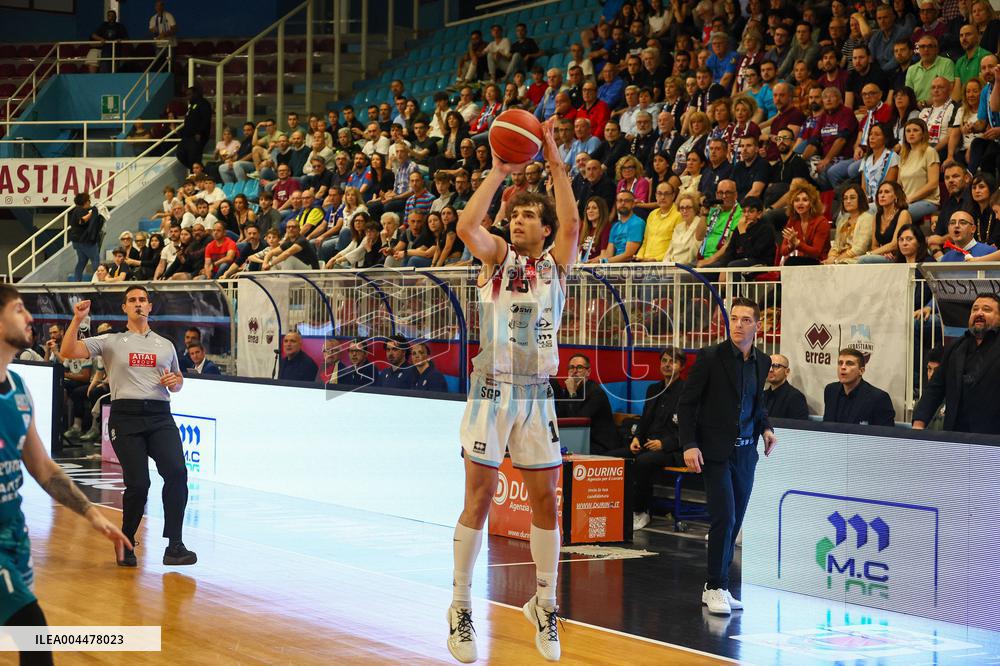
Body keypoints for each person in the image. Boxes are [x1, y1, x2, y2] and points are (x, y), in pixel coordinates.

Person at [448, 117, 578, 662]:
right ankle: (460, 606)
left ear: (544, 229)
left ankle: (544, 605)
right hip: (492, 389)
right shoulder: (496, 258)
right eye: (516, 214)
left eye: (530, 215)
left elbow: (572, 220)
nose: (520, 219)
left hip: (537, 392)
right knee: (478, 498)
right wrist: (499, 173)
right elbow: (465, 225)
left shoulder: (556, 265)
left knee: (548, 499)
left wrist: (552, 159)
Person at [0, 286, 130, 664]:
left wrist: (93, 515)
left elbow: (43, 468)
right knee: (34, 634)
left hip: (13, 537)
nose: (30, 318)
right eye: (19, 309)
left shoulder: (19, 390)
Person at [60, 286, 196, 567]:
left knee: (177, 472)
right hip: (126, 416)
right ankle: (126, 540)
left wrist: (176, 382)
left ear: (149, 306)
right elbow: (67, 351)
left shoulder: (165, 344)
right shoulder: (111, 340)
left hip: (160, 416)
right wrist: (77, 320)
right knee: (139, 484)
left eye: (142, 300)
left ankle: (175, 545)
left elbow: (179, 379)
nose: (138, 304)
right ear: (124, 308)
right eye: (132, 300)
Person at [677, 297, 777, 615]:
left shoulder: (762, 361)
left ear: (757, 326)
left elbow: (756, 402)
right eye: (734, 318)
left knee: (736, 520)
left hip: (746, 452)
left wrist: (766, 428)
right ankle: (717, 585)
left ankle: (715, 585)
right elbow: (687, 404)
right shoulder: (710, 357)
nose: (738, 324)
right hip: (715, 451)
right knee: (725, 517)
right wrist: (689, 444)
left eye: (746, 320)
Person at [613, 346, 687, 531]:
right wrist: (637, 438)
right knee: (612, 457)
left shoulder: (687, 391)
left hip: (673, 449)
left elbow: (690, 428)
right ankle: (614, 508)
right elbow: (645, 420)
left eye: (673, 361)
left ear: (681, 366)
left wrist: (664, 443)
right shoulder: (653, 388)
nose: (667, 365)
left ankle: (641, 512)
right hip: (647, 444)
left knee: (642, 462)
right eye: (664, 361)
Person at [913, 293, 1000, 433]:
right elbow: (935, 388)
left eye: (987, 309)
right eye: (975, 309)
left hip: (992, 439)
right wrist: (919, 423)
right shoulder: (955, 347)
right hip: (954, 437)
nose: (979, 313)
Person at [552, 353, 617, 455]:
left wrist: (572, 394)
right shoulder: (568, 390)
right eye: (571, 368)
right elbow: (560, 416)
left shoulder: (595, 393)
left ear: (588, 372)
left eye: (579, 367)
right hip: (578, 440)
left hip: (598, 444)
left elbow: (578, 423)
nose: (574, 371)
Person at [822, 348, 896, 426]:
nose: (843, 367)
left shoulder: (878, 398)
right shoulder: (830, 391)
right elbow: (826, 426)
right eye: (840, 363)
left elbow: (886, 434)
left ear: (861, 371)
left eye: (849, 363)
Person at [68, 192, 102, 282]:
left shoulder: (76, 210)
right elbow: (81, 221)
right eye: (88, 201)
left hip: (77, 241)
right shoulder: (80, 210)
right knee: (95, 259)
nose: (90, 203)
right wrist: (92, 213)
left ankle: (77, 281)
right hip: (85, 241)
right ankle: (98, 280)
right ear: (85, 202)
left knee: (82, 261)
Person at [762, 354, 810, 419]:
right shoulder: (762, 396)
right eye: (768, 365)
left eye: (776, 366)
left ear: (787, 371)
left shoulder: (795, 397)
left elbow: (799, 426)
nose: (770, 370)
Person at [177, 86, 212, 171]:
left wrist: (200, 133)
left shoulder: (204, 104)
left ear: (196, 94)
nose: (188, 96)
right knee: (180, 154)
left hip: (197, 136)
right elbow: (189, 122)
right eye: (186, 95)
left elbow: (206, 119)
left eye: (189, 94)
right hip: (187, 136)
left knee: (194, 158)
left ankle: (197, 176)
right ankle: (200, 171)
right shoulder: (191, 106)